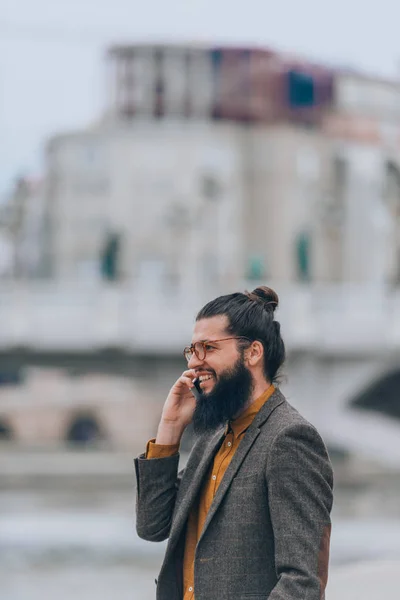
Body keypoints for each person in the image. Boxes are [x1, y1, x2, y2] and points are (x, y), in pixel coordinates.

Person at [134, 286, 333, 600]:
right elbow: (152, 526)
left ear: (253, 353)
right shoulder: (213, 437)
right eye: (192, 350)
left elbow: (302, 581)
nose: (194, 363)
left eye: (209, 348)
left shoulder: (290, 439)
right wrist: (170, 428)